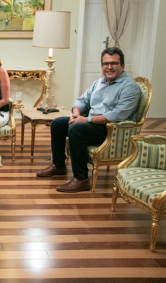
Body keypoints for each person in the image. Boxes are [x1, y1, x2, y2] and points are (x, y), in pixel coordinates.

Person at [37, 47, 141, 193]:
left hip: (111, 130)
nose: (109, 67)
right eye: (105, 64)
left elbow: (118, 115)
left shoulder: (130, 87)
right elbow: (82, 100)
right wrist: (76, 113)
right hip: (92, 123)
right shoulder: (99, 82)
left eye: (114, 63)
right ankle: (59, 165)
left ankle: (81, 179)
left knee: (77, 129)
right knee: (58, 123)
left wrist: (86, 120)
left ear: (122, 66)